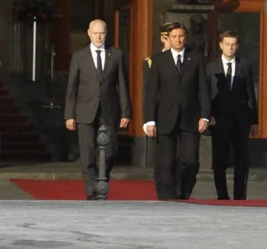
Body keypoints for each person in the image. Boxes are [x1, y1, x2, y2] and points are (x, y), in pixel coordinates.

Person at [64, 19, 132, 200]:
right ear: (89, 34)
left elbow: (123, 85)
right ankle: (92, 189)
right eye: (95, 33)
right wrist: (69, 115)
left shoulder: (115, 55)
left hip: (109, 109)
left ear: (106, 33)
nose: (99, 36)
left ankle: (103, 178)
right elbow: (72, 87)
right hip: (84, 110)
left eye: (101, 33)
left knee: (111, 149)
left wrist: (126, 112)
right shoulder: (79, 56)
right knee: (88, 152)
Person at [143, 22, 211, 200]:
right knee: (165, 162)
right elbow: (151, 92)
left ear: (185, 38)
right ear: (168, 38)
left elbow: (203, 89)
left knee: (190, 161)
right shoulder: (158, 61)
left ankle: (183, 191)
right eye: (174, 36)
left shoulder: (195, 59)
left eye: (181, 36)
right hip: (165, 118)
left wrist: (205, 115)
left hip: (190, 118)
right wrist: (149, 120)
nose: (178, 39)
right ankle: (166, 197)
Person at [207, 31, 258, 201]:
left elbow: (250, 93)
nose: (230, 47)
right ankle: (222, 196)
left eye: (234, 44)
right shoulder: (211, 67)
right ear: (221, 45)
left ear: (237, 46)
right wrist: (207, 116)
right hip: (219, 120)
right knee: (219, 159)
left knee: (242, 160)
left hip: (241, 121)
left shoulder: (245, 65)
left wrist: (254, 121)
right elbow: (206, 94)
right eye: (227, 44)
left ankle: (239, 196)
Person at [142, 24, 173, 110]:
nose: (172, 43)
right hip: (160, 111)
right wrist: (147, 120)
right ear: (162, 39)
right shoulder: (151, 62)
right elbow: (148, 92)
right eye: (169, 40)